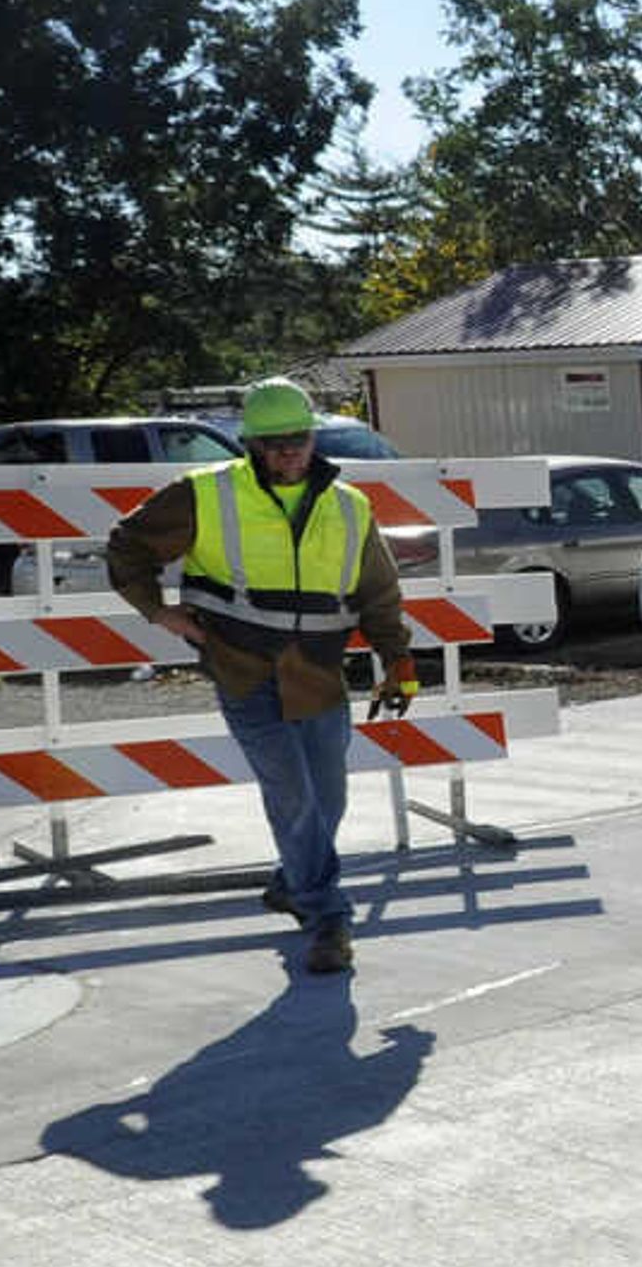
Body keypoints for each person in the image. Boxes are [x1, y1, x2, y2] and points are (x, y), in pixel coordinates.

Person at [106, 378, 419, 975]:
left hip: (320, 674)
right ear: (250, 444)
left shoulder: (350, 506)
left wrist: (397, 659)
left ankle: (289, 883)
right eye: (272, 443)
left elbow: (377, 590)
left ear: (312, 438)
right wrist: (157, 611)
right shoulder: (206, 495)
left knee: (328, 796)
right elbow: (128, 543)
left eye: (296, 440)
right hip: (244, 669)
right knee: (294, 795)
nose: (286, 453)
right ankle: (329, 918)